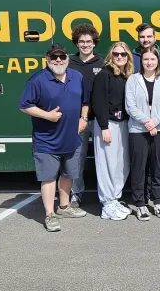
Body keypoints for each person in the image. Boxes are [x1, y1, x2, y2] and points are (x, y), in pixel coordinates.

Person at [18, 43, 89, 232]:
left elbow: (85, 101)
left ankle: (64, 207)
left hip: (71, 138)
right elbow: (24, 105)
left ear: (67, 58)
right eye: (54, 57)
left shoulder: (76, 76)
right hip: (47, 140)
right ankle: (50, 214)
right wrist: (47, 115)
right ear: (47, 59)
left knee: (68, 174)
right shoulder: (38, 80)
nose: (58, 60)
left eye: (62, 56)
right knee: (48, 177)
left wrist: (83, 118)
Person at [125, 47, 160, 221]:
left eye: (152, 59)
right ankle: (140, 204)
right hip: (138, 130)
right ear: (141, 61)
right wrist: (147, 122)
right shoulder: (133, 80)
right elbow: (130, 106)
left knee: (157, 167)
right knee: (139, 167)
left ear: (158, 61)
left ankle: (158, 201)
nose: (149, 62)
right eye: (146, 59)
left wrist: (155, 122)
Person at [90, 41, 134, 221]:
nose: (119, 57)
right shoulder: (104, 74)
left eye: (123, 54)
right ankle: (107, 203)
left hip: (123, 123)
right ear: (111, 56)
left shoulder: (126, 76)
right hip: (107, 124)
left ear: (128, 56)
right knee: (107, 164)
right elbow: (98, 102)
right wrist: (104, 127)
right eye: (116, 54)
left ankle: (115, 198)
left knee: (121, 164)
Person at [67, 23, 103, 208]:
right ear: (76, 43)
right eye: (81, 41)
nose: (85, 44)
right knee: (76, 158)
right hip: (78, 120)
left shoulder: (103, 63)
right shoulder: (69, 63)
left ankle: (106, 195)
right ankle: (76, 194)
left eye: (89, 41)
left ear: (94, 43)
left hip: (100, 120)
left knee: (103, 160)